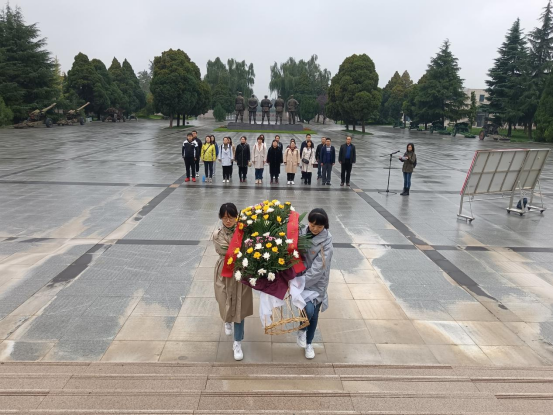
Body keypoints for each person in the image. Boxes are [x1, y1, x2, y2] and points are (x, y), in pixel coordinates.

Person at [213, 203, 253, 361]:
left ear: (237, 216)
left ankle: (237, 342)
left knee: (239, 308)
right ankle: (227, 319)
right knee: (224, 301)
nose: (228, 221)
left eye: (231, 217)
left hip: (241, 273)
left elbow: (248, 250)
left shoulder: (245, 231)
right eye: (224, 218)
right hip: (224, 272)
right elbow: (227, 251)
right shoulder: (217, 234)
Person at [297, 208, 333, 359]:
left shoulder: (327, 242)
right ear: (309, 222)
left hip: (316, 282)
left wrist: (300, 282)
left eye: (319, 226)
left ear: (325, 225)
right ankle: (302, 329)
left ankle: (309, 343)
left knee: (314, 314)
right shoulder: (301, 232)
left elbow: (319, 268)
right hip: (300, 278)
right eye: (313, 225)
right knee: (308, 310)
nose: (315, 229)